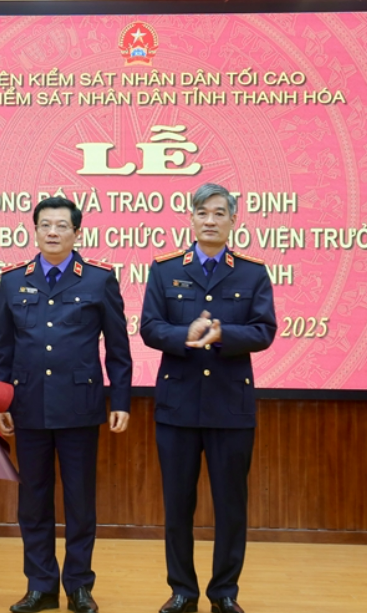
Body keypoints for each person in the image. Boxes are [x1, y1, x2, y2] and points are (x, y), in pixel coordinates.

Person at [140, 183, 277, 613]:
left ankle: (224, 593)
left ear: (234, 220)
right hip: (177, 406)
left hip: (230, 406)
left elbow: (264, 330)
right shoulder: (165, 269)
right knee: (178, 506)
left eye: (219, 213)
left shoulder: (252, 272)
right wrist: (186, 334)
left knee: (231, 507)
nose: (211, 221)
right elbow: (149, 327)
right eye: (203, 213)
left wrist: (222, 335)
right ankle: (182, 591)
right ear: (192, 219)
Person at [0, 196, 132, 613]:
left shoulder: (99, 279)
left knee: (79, 501)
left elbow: (118, 348)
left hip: (79, 406)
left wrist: (121, 399)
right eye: (45, 225)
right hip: (28, 405)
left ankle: (79, 586)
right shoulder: (13, 281)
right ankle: (41, 586)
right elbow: (5, 348)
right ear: (35, 230)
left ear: (76, 232)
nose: (52, 232)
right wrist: (1, 399)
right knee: (33, 501)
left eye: (61, 226)